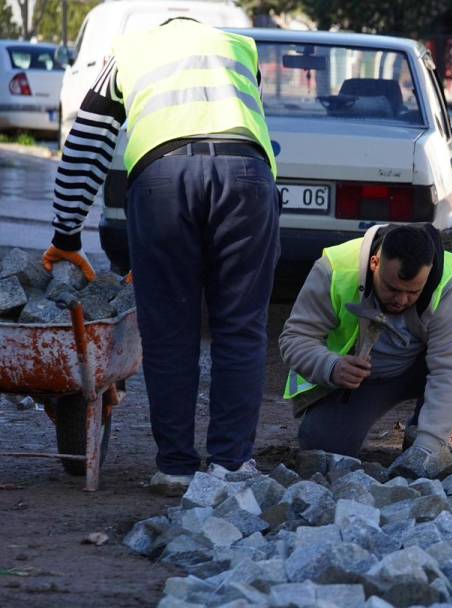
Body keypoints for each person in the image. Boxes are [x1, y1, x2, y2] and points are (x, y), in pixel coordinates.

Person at [44, 17, 280, 495]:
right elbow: (250, 117)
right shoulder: (240, 47)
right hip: (246, 178)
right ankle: (232, 465)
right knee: (241, 326)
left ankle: (175, 468)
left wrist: (66, 235)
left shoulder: (128, 52)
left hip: (163, 182)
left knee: (171, 330)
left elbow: (87, 141)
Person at [280, 223, 452, 459]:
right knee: (324, 448)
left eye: (413, 292)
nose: (401, 300)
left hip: (422, 367)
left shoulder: (445, 288)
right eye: (392, 288)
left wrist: (427, 449)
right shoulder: (335, 271)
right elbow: (295, 338)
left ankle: (418, 429)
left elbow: (450, 371)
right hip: (362, 381)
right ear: (375, 263)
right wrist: (331, 366)